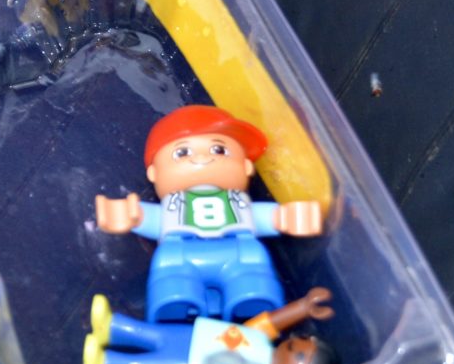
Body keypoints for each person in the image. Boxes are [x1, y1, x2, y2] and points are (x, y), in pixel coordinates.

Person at [95, 104, 324, 322]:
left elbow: (261, 217)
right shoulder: (173, 207)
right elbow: (152, 218)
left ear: (245, 166)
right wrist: (130, 215)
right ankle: (175, 302)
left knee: (253, 274)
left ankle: (251, 298)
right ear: (154, 173)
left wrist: (285, 217)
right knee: (171, 278)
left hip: (240, 253)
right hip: (179, 254)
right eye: (182, 152)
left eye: (219, 149)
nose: (203, 157)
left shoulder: (238, 202)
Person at [82, 287, 335, 364]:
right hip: (197, 335)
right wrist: (303, 307)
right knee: (152, 333)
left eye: (301, 358)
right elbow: (269, 322)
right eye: (304, 342)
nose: (295, 346)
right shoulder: (263, 342)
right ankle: (112, 327)